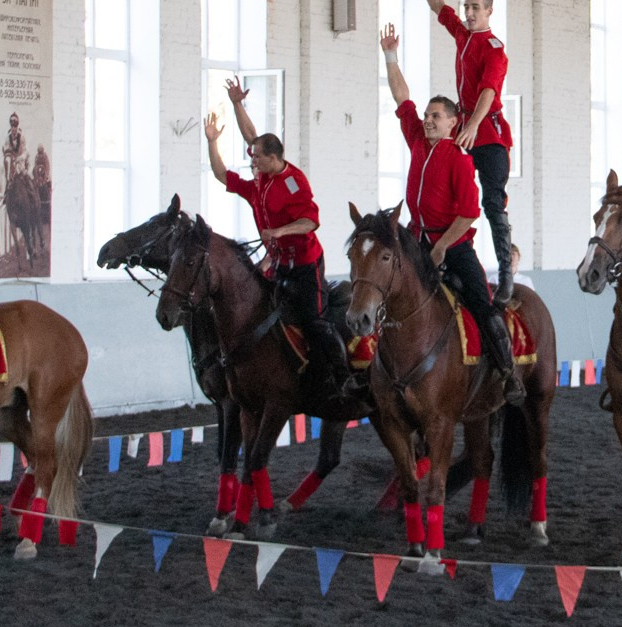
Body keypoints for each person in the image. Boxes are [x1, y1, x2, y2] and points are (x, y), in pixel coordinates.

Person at [379, 24, 523, 406]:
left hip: (453, 245)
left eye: (436, 116)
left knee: (481, 302)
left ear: (453, 123)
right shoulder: (415, 141)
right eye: (427, 116)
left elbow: (469, 213)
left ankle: (508, 372)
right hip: (417, 239)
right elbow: (401, 97)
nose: (427, 120)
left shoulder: (459, 159)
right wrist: (390, 56)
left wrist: (442, 247)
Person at [205, 85, 351, 397]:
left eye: (257, 157)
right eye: (252, 157)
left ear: (274, 157)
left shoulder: (294, 182)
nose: (252, 160)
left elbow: (311, 221)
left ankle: (342, 376)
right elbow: (225, 168)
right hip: (277, 261)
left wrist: (280, 232)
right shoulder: (258, 180)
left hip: (305, 261)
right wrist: (214, 138)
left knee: (314, 321)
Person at [399, 0, 516, 308]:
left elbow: (487, 92)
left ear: (489, 11)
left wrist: (471, 127)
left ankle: (506, 272)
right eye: (467, 7)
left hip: (488, 132)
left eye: (475, 8)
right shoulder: (463, 36)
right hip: (464, 125)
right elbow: (438, 5)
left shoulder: (493, 47)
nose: (468, 13)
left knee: (493, 202)